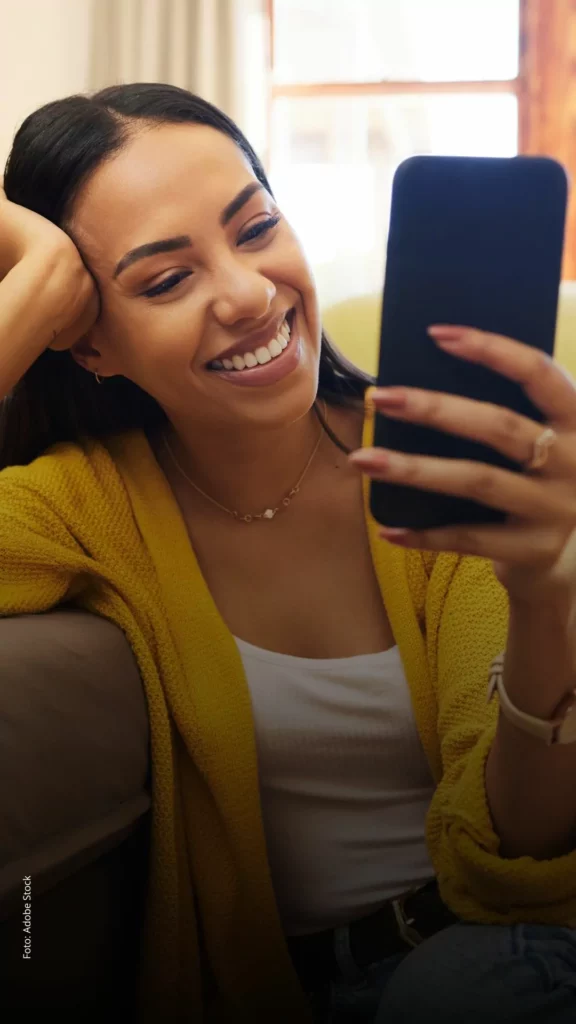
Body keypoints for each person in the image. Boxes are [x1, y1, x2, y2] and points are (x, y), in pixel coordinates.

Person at [0, 83, 575, 1024]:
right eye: (165, 279)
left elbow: (518, 868)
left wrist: (547, 600)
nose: (248, 293)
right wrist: (31, 278)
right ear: (90, 341)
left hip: (507, 956)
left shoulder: (439, 463)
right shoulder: (88, 508)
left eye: (256, 227)